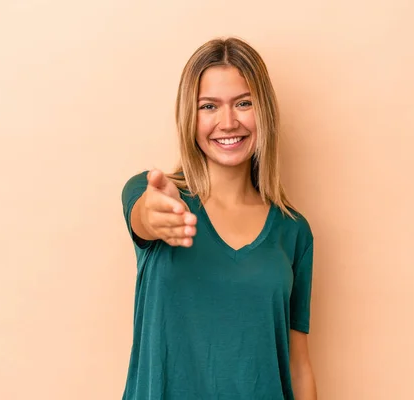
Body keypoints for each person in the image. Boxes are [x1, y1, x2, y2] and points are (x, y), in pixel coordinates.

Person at [121, 37, 317, 400]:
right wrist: (153, 215)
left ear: (265, 113)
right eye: (208, 106)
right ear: (189, 117)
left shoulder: (293, 231)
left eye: (244, 103)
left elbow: (297, 363)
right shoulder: (161, 198)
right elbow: (144, 216)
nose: (228, 122)